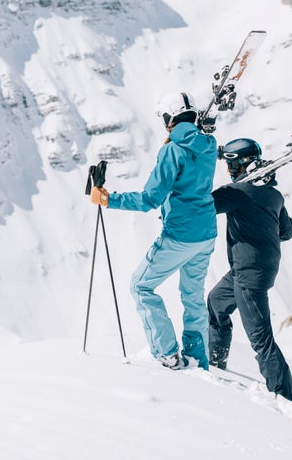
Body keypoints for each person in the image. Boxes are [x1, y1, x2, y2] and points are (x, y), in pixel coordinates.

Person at [88, 91, 217, 369]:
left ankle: (167, 353)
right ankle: (197, 357)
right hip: (206, 233)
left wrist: (108, 199)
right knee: (193, 295)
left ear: (169, 118)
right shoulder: (209, 143)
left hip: (181, 234)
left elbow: (150, 199)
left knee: (140, 286)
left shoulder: (173, 151)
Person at [206, 137, 292, 401]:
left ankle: (284, 395)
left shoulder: (238, 193)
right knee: (216, 302)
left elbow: (203, 205)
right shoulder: (273, 194)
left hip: (250, 274)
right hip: (249, 268)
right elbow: (286, 232)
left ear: (241, 163)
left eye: (230, 162)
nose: (227, 168)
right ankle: (216, 364)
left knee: (260, 337)